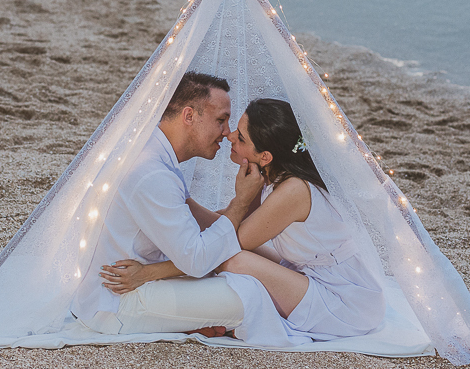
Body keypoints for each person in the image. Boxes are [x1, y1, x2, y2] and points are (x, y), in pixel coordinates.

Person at [101, 98, 390, 346]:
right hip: (310, 277)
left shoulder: (293, 191)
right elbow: (227, 227)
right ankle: (207, 315)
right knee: (228, 250)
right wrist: (180, 201)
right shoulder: (270, 178)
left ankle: (203, 312)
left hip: (344, 300)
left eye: (241, 136)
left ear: (265, 156)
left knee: (237, 261)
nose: (229, 137)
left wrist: (150, 273)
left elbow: (226, 249)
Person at [68, 72, 263, 336]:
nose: (227, 133)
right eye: (221, 120)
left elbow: (197, 228)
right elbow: (196, 260)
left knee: (236, 272)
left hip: (123, 288)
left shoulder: (151, 149)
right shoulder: (153, 174)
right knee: (250, 294)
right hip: (119, 304)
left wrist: (254, 223)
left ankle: (197, 322)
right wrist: (240, 203)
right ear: (189, 116)